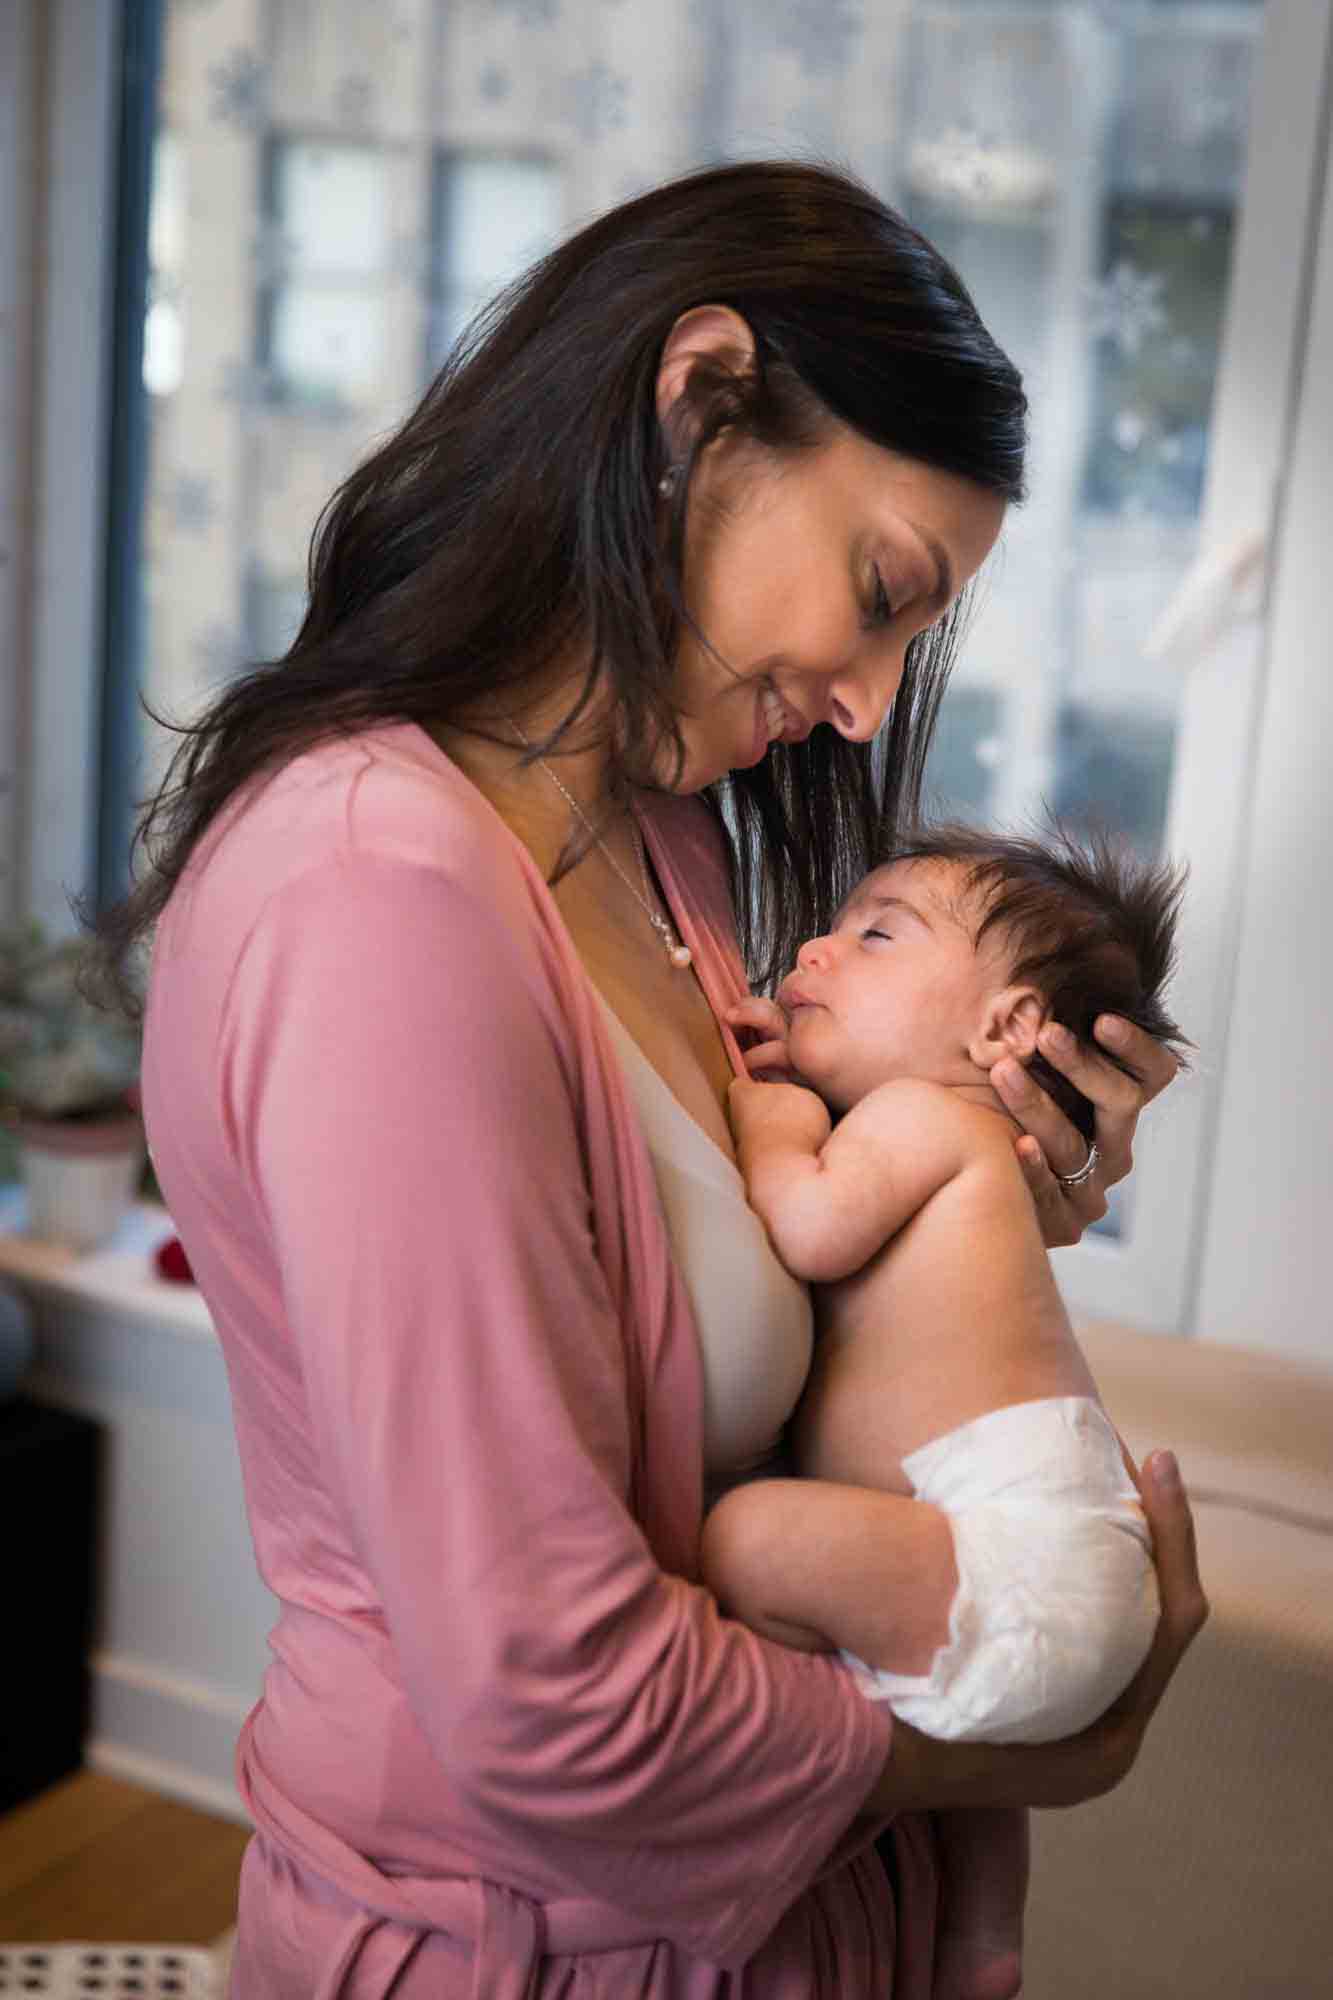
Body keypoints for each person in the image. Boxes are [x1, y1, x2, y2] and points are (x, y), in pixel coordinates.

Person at [95, 161, 1206, 1996]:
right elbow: (551, 1698)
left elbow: (700, 1348)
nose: (867, 701)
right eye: (879, 589)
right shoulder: (378, 893)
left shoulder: (650, 846)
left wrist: (975, 1220)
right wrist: (1019, 1752)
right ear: (698, 402)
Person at [706, 824, 1191, 2000]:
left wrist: (770, 1122)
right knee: (986, 1748)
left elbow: (811, 1226)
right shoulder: (962, 1149)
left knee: (744, 1537)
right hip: (1048, 1549)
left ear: (1003, 1029)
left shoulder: (923, 1121)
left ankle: (768, 1839)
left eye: (875, 933)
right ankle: (980, 1931)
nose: (817, 946)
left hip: (1013, 1550)